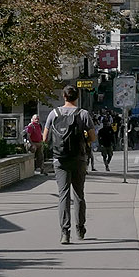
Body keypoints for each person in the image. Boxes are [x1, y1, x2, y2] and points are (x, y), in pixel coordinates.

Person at [43, 86, 96, 245]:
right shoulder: (83, 114)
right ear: (77, 97)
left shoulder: (54, 113)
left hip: (60, 160)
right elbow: (93, 137)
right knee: (79, 194)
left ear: (63, 96)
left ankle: (65, 233)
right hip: (78, 159)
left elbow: (45, 138)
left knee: (63, 195)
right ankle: (80, 228)